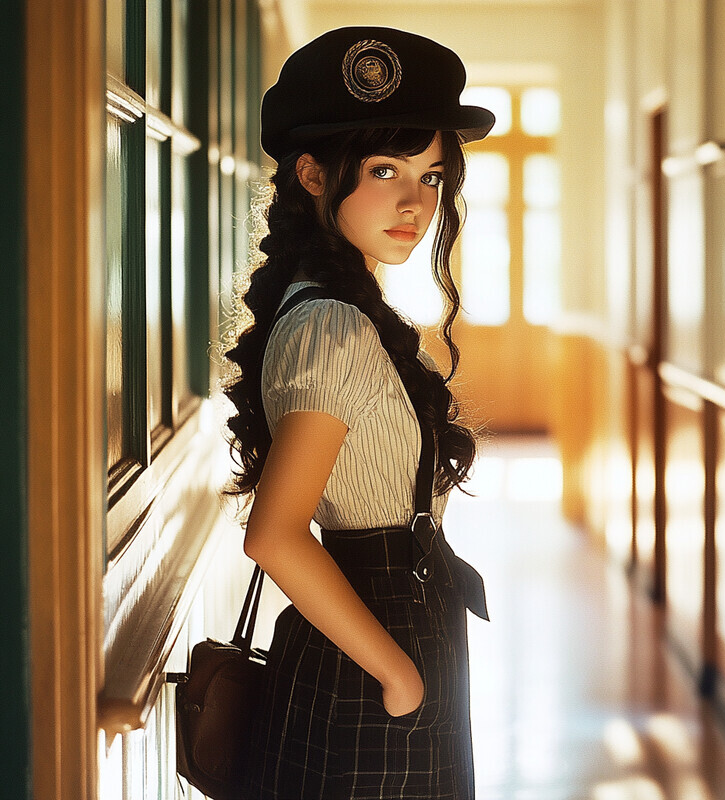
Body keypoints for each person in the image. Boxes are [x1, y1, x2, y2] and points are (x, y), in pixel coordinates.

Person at [221, 26, 494, 800]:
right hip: (372, 652)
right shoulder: (332, 325)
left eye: (433, 176)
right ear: (312, 173)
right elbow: (273, 535)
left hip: (382, 632)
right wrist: (399, 672)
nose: (417, 202)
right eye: (385, 170)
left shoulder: (344, 307)